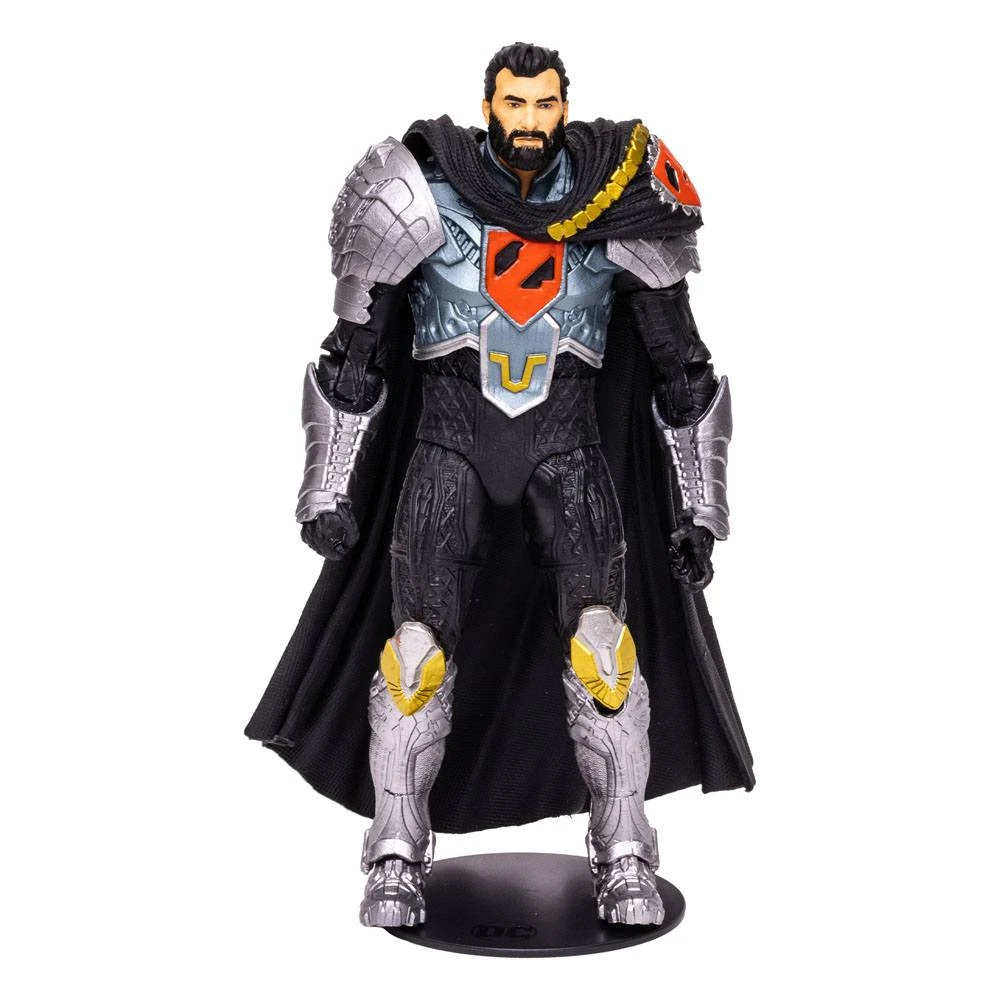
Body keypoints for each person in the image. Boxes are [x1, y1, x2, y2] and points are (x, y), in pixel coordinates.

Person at [246, 42, 754, 930]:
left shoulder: (618, 194)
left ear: (565, 107)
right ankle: (395, 853)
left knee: (604, 655)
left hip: (570, 448)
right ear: (489, 105)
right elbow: (353, 358)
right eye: (514, 104)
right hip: (448, 447)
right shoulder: (413, 192)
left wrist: (701, 506)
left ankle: (623, 850)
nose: (529, 121)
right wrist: (325, 488)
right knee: (413, 659)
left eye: (544, 104)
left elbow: (683, 368)